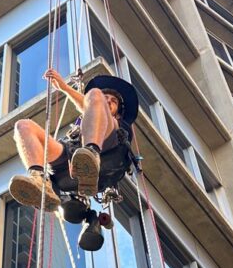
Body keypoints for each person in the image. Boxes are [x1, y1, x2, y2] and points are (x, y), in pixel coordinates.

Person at [9, 70, 139, 249]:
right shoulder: (85, 124)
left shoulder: (120, 126)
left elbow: (92, 102)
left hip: (107, 156)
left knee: (94, 95)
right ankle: (40, 180)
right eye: (106, 99)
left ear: (118, 112)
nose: (108, 101)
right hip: (72, 159)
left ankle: (91, 155)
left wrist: (67, 89)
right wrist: (63, 87)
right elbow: (89, 106)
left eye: (113, 101)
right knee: (23, 126)